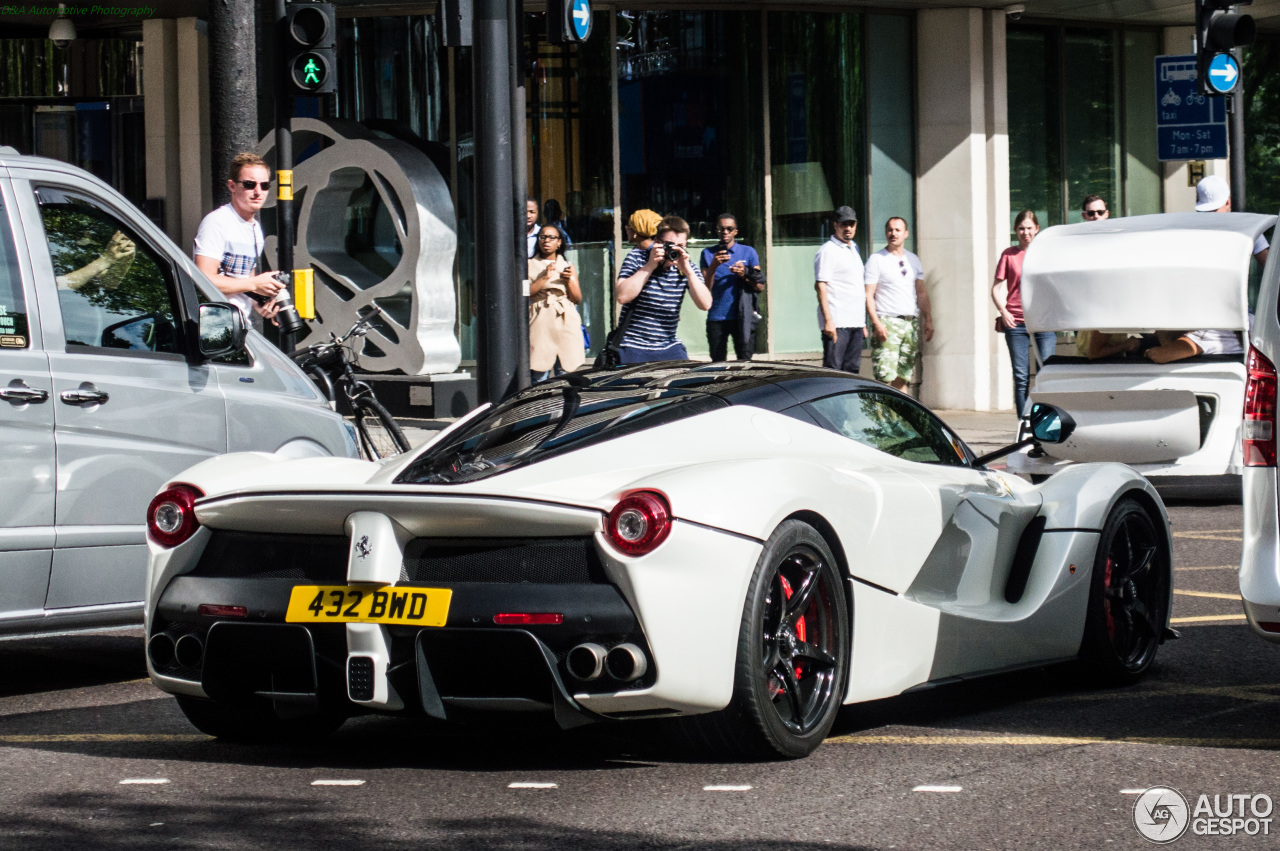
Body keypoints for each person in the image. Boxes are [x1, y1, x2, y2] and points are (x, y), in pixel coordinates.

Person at [193, 152, 282, 324]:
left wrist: (259, 301)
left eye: (264, 186)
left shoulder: (255, 229)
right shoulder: (217, 222)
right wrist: (255, 284)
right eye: (249, 184)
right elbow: (202, 280)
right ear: (232, 186)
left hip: (239, 323)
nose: (258, 192)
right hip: (212, 324)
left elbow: (244, 283)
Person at [614, 215, 712, 364]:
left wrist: (689, 272)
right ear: (657, 242)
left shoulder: (685, 266)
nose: (675, 250)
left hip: (668, 346)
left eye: (681, 246)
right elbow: (622, 296)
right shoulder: (637, 258)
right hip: (634, 345)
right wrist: (649, 266)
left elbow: (705, 304)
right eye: (670, 244)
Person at [992, 210, 1055, 418]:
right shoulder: (1009, 255)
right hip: (1016, 323)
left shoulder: (1046, 253)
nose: (1025, 232)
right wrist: (1004, 312)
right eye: (1021, 228)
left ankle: (1044, 421)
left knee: (1045, 375)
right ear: (1015, 230)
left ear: (1037, 229)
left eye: (1029, 228)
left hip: (1043, 322)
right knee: (1021, 378)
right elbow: (996, 289)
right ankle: (1023, 423)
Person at [864, 217, 933, 390]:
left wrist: (928, 320)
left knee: (903, 376)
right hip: (887, 323)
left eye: (897, 230)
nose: (893, 234)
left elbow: (921, 292)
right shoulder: (877, 259)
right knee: (884, 376)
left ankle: (899, 417)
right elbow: (868, 294)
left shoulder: (913, 260)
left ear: (906, 234)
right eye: (890, 230)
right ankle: (880, 417)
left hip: (910, 324)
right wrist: (876, 323)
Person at [700, 213, 763, 362]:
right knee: (717, 363)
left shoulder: (748, 252)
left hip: (742, 317)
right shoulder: (708, 253)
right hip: (717, 316)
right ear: (716, 230)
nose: (725, 232)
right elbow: (705, 290)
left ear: (736, 231)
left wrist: (744, 275)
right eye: (721, 229)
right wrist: (714, 266)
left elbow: (760, 286)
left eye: (729, 229)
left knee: (745, 362)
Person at [528, 225, 585, 382]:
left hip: (566, 317)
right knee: (540, 374)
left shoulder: (567, 265)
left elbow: (577, 298)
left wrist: (569, 281)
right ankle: (540, 407)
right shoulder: (528, 264)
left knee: (567, 373)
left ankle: (568, 407)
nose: (546, 241)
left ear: (559, 242)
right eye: (542, 237)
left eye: (551, 238)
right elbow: (524, 292)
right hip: (541, 318)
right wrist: (545, 277)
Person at [815, 205, 866, 374]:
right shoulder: (828, 251)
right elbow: (821, 285)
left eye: (852, 224)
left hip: (856, 322)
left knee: (852, 372)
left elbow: (856, 285)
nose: (848, 228)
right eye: (844, 224)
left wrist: (863, 322)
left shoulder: (854, 248)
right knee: (833, 372)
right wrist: (829, 321)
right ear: (835, 225)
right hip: (838, 323)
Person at [1197, 174, 1269, 265]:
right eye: (1207, 211)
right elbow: (1268, 264)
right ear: (1228, 202)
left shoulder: (1190, 230)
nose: (1211, 215)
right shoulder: (1249, 226)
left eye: (1214, 210)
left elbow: (1268, 264)